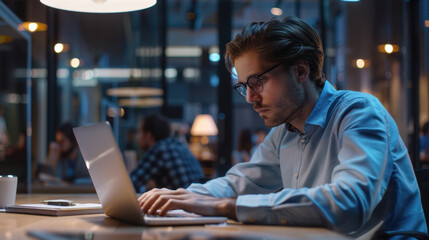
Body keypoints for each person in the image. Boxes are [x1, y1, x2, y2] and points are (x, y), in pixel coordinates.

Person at [137, 17, 427, 238]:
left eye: (257, 82)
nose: (250, 97)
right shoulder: (284, 132)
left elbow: (349, 203)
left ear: (301, 70)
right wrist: (178, 199)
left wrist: (226, 207)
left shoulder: (359, 112)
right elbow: (238, 183)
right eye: (244, 86)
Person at [130, 114, 204, 193]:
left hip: (183, 203)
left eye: (140, 131)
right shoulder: (179, 145)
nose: (138, 136)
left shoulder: (159, 149)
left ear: (149, 135)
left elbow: (131, 183)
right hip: (198, 200)